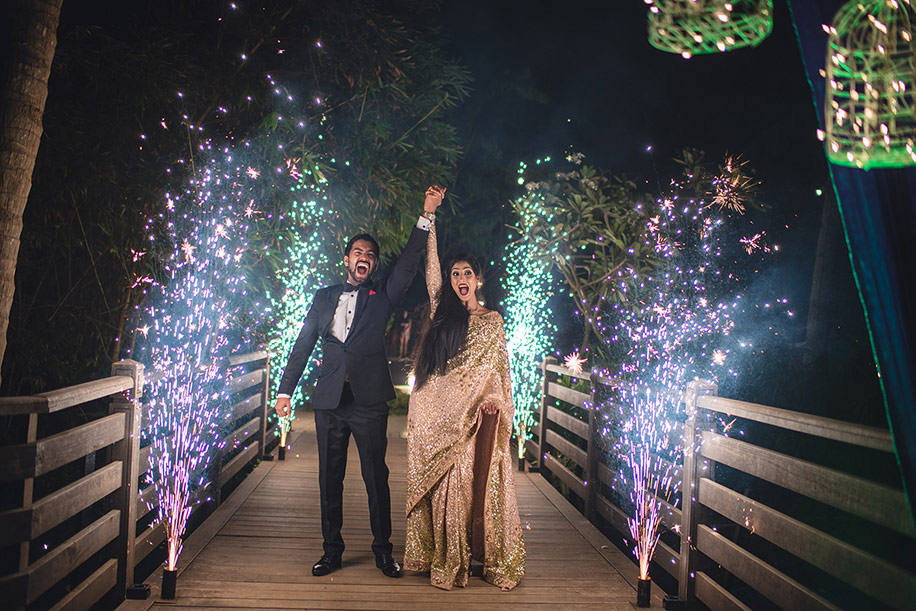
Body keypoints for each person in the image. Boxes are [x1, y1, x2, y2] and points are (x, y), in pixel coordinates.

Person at [274, 185, 446, 578]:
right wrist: (285, 391)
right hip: (330, 401)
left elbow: (408, 262)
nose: (363, 257)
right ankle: (331, 551)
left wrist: (427, 214)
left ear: (374, 263)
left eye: (370, 254)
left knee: (375, 477)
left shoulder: (382, 296)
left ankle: (383, 552)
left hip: (368, 400)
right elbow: (302, 346)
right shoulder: (323, 298)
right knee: (329, 478)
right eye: (357, 252)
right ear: (347, 259)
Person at [403, 219, 525, 591]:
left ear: (478, 280)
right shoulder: (444, 314)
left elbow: (499, 372)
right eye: (455, 273)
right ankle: (444, 558)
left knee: (470, 485)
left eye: (466, 273)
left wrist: (492, 401)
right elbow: (431, 272)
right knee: (445, 488)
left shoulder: (493, 321)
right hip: (438, 415)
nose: (460, 278)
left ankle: (473, 557)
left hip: (474, 418)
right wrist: (431, 220)